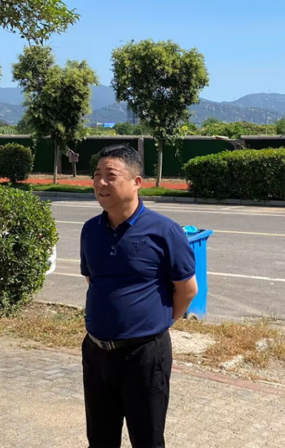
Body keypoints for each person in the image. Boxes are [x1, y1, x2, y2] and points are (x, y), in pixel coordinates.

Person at [80, 144, 198, 448]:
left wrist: (157, 325)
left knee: (147, 440)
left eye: (110, 176)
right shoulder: (90, 230)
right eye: (97, 175)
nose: (100, 183)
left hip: (145, 356)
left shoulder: (164, 231)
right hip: (96, 352)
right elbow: (93, 280)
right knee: (100, 440)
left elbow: (187, 289)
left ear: (136, 182)